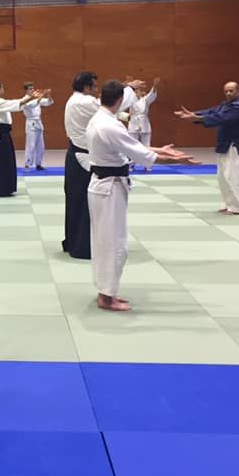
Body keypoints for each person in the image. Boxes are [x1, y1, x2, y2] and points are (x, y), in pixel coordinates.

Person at [87, 80, 198, 311]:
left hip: (104, 186)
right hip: (109, 188)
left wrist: (161, 150)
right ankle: (106, 297)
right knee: (114, 243)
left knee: (105, 241)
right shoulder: (109, 125)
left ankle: (106, 291)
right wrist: (176, 160)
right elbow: (140, 154)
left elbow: (129, 146)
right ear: (120, 101)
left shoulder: (100, 118)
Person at [62, 72, 143, 259]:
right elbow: (111, 104)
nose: (96, 90)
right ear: (86, 87)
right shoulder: (84, 101)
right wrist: (128, 89)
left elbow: (108, 109)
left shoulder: (75, 100)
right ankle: (82, 246)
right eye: (94, 86)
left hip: (76, 155)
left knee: (77, 202)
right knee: (85, 205)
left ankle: (74, 241)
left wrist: (125, 113)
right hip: (84, 158)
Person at [174, 81, 239, 215]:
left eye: (231, 91)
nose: (228, 93)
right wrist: (193, 114)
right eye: (226, 91)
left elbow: (220, 118)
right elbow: (211, 111)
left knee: (231, 177)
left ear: (238, 91)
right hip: (224, 145)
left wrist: (197, 118)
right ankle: (229, 204)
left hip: (233, 145)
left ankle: (236, 207)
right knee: (222, 177)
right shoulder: (226, 105)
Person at [0, 82, 42, 197]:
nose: (3, 89)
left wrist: (29, 99)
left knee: (7, 161)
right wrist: (29, 98)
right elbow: (14, 103)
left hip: (4, 133)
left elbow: (15, 105)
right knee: (0, 162)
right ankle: (0, 189)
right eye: (2, 87)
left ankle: (7, 188)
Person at [128, 78, 160, 172]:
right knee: (132, 145)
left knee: (146, 145)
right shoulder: (130, 101)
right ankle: (131, 164)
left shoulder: (145, 100)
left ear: (141, 92)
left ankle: (147, 164)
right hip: (133, 123)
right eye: (135, 92)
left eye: (138, 91)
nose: (136, 93)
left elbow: (151, 95)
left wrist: (154, 86)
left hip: (144, 123)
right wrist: (128, 85)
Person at [22, 83, 54, 171]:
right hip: (31, 123)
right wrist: (42, 95)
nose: (32, 90)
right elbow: (33, 104)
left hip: (38, 123)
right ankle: (27, 165)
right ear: (26, 90)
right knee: (31, 145)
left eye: (32, 88)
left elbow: (49, 102)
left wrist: (48, 95)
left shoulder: (36, 98)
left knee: (41, 146)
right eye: (30, 89)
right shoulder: (24, 99)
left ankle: (38, 164)